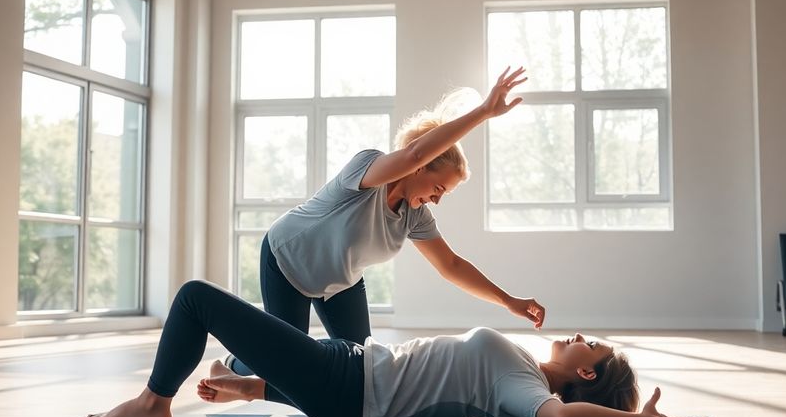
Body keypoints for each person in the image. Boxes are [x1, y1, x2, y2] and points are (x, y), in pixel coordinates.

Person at [227, 66, 547, 377]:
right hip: (289, 259)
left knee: (361, 365)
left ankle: (300, 353)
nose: (437, 200)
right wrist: (484, 112)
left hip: (341, 280)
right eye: (438, 189)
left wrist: (508, 301)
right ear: (420, 169)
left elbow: (451, 265)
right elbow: (413, 155)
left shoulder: (414, 216)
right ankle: (234, 363)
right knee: (282, 361)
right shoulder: (368, 170)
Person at [87, 280, 706, 417]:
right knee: (234, 349)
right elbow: (411, 398)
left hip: (342, 382)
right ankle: (241, 378)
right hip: (347, 366)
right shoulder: (519, 377)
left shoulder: (525, 391)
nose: (578, 335)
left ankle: (152, 403)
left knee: (196, 300)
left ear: (586, 373)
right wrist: (256, 393)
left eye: (588, 344)